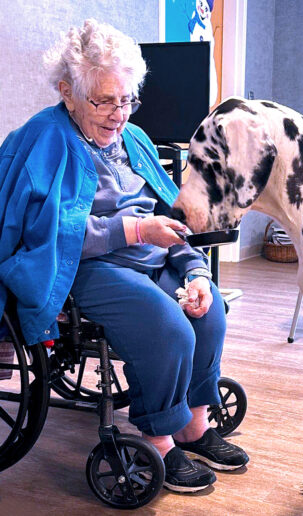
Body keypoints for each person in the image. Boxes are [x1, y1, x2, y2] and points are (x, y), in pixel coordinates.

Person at [0, 19, 248, 492]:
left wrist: (193, 269)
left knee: (210, 307)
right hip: (87, 267)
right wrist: (135, 229)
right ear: (68, 92)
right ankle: (158, 440)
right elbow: (47, 233)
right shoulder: (45, 138)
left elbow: (167, 208)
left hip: (150, 254)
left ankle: (193, 425)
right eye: (104, 101)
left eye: (127, 99)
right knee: (168, 327)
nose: (119, 114)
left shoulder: (132, 137)